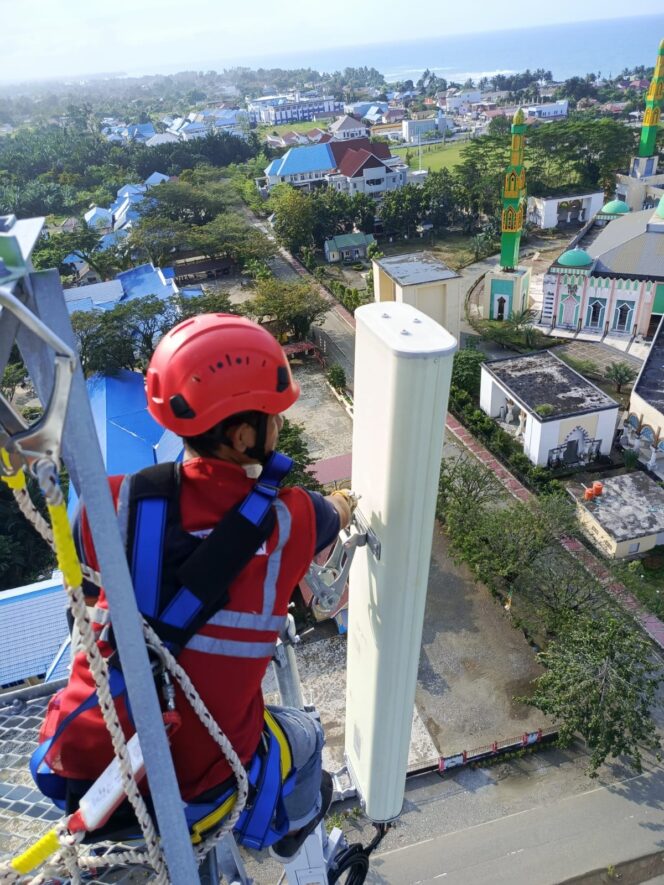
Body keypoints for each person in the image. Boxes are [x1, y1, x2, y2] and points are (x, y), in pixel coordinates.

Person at [38, 314, 353, 858]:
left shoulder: (104, 504)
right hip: (191, 783)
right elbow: (332, 514)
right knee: (305, 732)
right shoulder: (288, 522)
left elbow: (88, 600)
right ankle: (285, 838)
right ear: (242, 435)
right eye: (273, 417)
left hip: (84, 764)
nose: (278, 426)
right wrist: (349, 499)